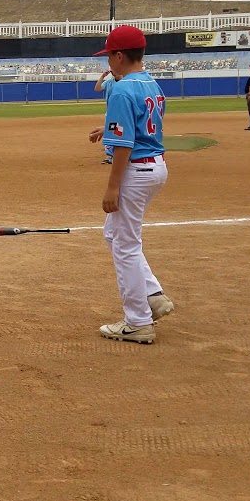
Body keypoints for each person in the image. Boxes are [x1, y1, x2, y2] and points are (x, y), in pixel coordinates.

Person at [88, 25, 176, 345]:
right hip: (156, 166)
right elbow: (137, 124)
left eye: (110, 55)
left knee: (125, 244)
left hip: (135, 170)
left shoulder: (123, 88)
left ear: (120, 55)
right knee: (114, 234)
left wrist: (113, 187)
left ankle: (138, 321)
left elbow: (124, 144)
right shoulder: (150, 83)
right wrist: (107, 127)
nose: (108, 62)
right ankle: (152, 295)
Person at [94, 68, 117, 164]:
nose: (113, 72)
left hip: (123, 112)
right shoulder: (109, 82)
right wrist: (102, 76)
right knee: (109, 132)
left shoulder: (126, 82)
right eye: (112, 71)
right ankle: (110, 155)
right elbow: (97, 88)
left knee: (121, 132)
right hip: (111, 113)